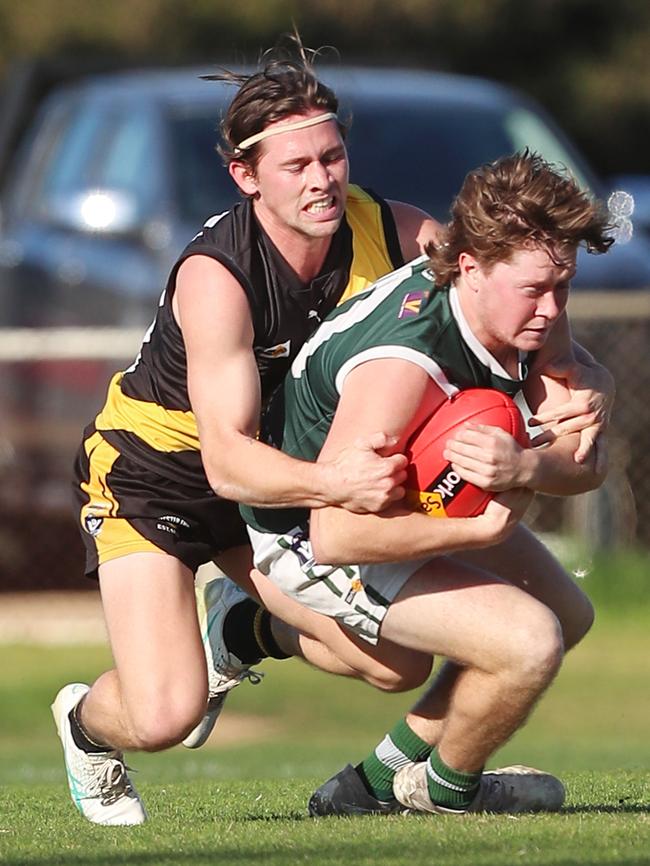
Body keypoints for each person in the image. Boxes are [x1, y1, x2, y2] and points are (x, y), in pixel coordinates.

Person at [50, 35, 612, 826]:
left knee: (389, 664)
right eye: (296, 166)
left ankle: (241, 633)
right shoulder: (220, 278)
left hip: (282, 476)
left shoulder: (396, 229)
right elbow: (226, 464)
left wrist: (588, 388)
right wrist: (338, 486)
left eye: (333, 156)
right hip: (163, 476)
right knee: (163, 715)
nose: (322, 179)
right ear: (245, 177)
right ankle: (83, 724)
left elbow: (511, 301)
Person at [240, 150, 612, 816]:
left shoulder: (528, 301)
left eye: (565, 285)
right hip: (309, 528)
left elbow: (586, 465)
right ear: (470, 265)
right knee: (526, 642)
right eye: (535, 290)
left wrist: (546, 447)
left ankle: (374, 786)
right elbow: (337, 533)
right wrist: (477, 527)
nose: (552, 308)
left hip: (407, 498)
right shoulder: (401, 365)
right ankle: (447, 790)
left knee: (566, 615)